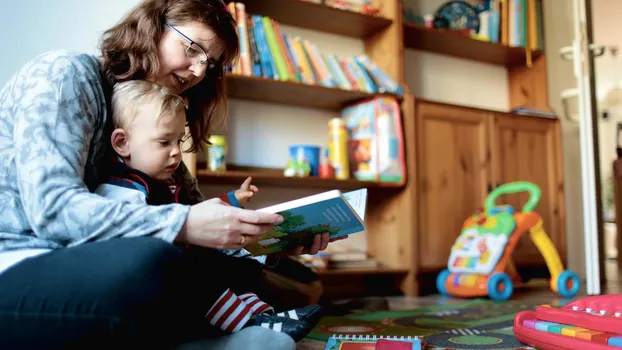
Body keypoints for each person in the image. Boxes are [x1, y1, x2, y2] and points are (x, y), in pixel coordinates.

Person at [0, 0, 341, 348]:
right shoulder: (66, 74)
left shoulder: (157, 126)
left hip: (100, 266)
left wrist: (274, 240)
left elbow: (206, 225)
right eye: (192, 49)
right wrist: (186, 224)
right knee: (154, 258)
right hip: (24, 260)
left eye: (210, 65)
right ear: (152, 31)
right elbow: (52, 209)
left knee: (253, 270)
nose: (197, 71)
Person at [93, 79, 322, 339]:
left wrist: (233, 202)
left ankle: (264, 317)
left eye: (179, 141)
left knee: (239, 266)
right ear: (122, 143)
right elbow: (130, 239)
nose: (176, 154)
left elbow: (196, 213)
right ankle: (247, 324)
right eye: (163, 142)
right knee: (197, 269)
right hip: (165, 283)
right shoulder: (121, 190)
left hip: (186, 266)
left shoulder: (163, 182)